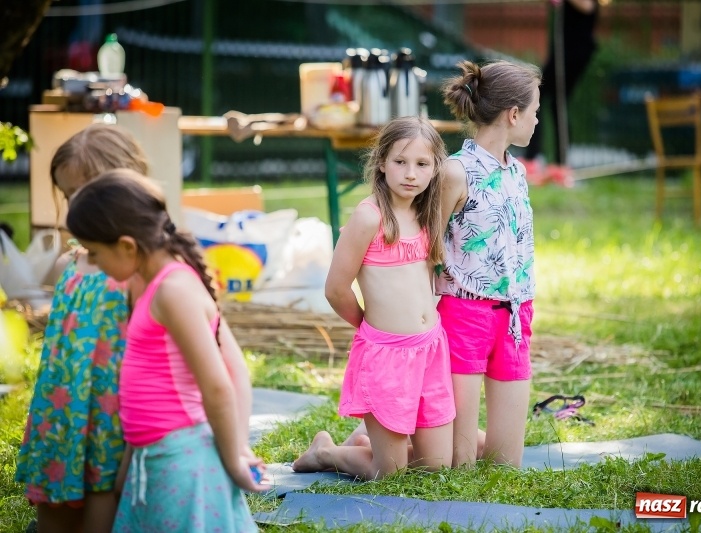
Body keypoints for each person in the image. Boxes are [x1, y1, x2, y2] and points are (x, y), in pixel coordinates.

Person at [15, 124, 262, 533]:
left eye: (88, 190)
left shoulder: (143, 274)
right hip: (66, 416)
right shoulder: (71, 266)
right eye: (67, 194)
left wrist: (234, 446)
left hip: (121, 424)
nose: (77, 205)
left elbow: (224, 362)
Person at [64, 169, 267, 531]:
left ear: (127, 246)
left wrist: (235, 458)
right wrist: (129, 465)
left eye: (95, 253)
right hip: (154, 456)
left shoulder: (174, 290)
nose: (93, 264)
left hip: (182, 460)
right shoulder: (154, 287)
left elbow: (217, 385)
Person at [292, 116, 455, 480]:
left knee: (438, 467)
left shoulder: (426, 212)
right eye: (400, 162)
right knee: (390, 475)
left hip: (429, 349)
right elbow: (335, 288)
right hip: (387, 357)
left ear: (434, 169)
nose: (410, 173)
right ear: (382, 163)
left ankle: (367, 439)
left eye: (421, 164)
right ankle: (326, 452)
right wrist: (369, 326)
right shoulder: (369, 218)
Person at [438, 59, 540, 468]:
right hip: (465, 315)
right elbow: (427, 247)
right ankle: (345, 451)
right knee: (457, 464)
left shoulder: (516, 171)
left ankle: (380, 439)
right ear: (513, 114)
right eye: (534, 112)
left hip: (516, 317)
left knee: (505, 466)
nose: (537, 121)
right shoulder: (454, 172)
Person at [520, 0, 598, 186]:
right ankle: (558, 164)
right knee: (555, 104)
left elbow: (587, 6)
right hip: (564, 51)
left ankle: (536, 159)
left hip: (573, 52)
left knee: (539, 95)